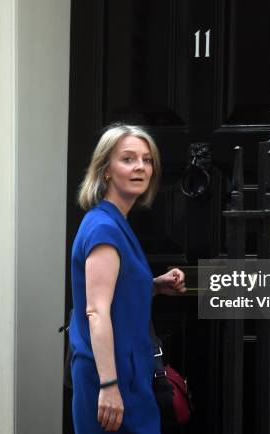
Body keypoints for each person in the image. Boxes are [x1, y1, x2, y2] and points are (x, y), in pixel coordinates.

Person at [68, 124, 186, 433]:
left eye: (147, 160)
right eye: (128, 159)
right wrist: (108, 385)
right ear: (106, 169)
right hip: (110, 376)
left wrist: (154, 285)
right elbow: (96, 311)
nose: (141, 168)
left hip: (128, 372)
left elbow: (114, 290)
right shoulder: (104, 228)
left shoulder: (114, 222)